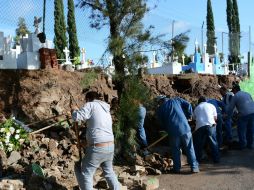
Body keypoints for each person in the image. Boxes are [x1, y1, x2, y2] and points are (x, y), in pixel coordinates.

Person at [72, 91, 120, 190]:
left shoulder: (91, 105)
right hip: (110, 146)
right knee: (109, 172)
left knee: (86, 173)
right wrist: (85, 143)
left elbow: (77, 117)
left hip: (98, 147)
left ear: (88, 99)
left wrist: (74, 110)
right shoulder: (105, 109)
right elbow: (99, 130)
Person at [156, 95, 199, 173]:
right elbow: (188, 104)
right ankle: (194, 167)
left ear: (160, 101)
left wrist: (167, 129)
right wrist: (189, 115)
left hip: (173, 132)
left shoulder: (160, 109)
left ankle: (177, 169)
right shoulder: (176, 100)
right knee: (190, 148)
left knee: (175, 150)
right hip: (185, 128)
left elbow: (160, 123)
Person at [193, 96, 220, 163]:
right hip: (210, 125)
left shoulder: (196, 108)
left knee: (199, 144)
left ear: (199, 102)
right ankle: (216, 159)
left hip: (200, 127)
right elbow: (215, 118)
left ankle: (198, 160)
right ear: (205, 101)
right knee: (213, 142)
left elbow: (194, 119)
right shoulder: (211, 105)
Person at [227, 84, 254, 150]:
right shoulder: (247, 93)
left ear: (235, 90)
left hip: (244, 115)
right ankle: (250, 145)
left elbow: (230, 108)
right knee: (250, 130)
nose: (233, 93)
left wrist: (228, 117)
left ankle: (242, 145)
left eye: (233, 91)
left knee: (241, 130)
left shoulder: (235, 96)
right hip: (252, 113)